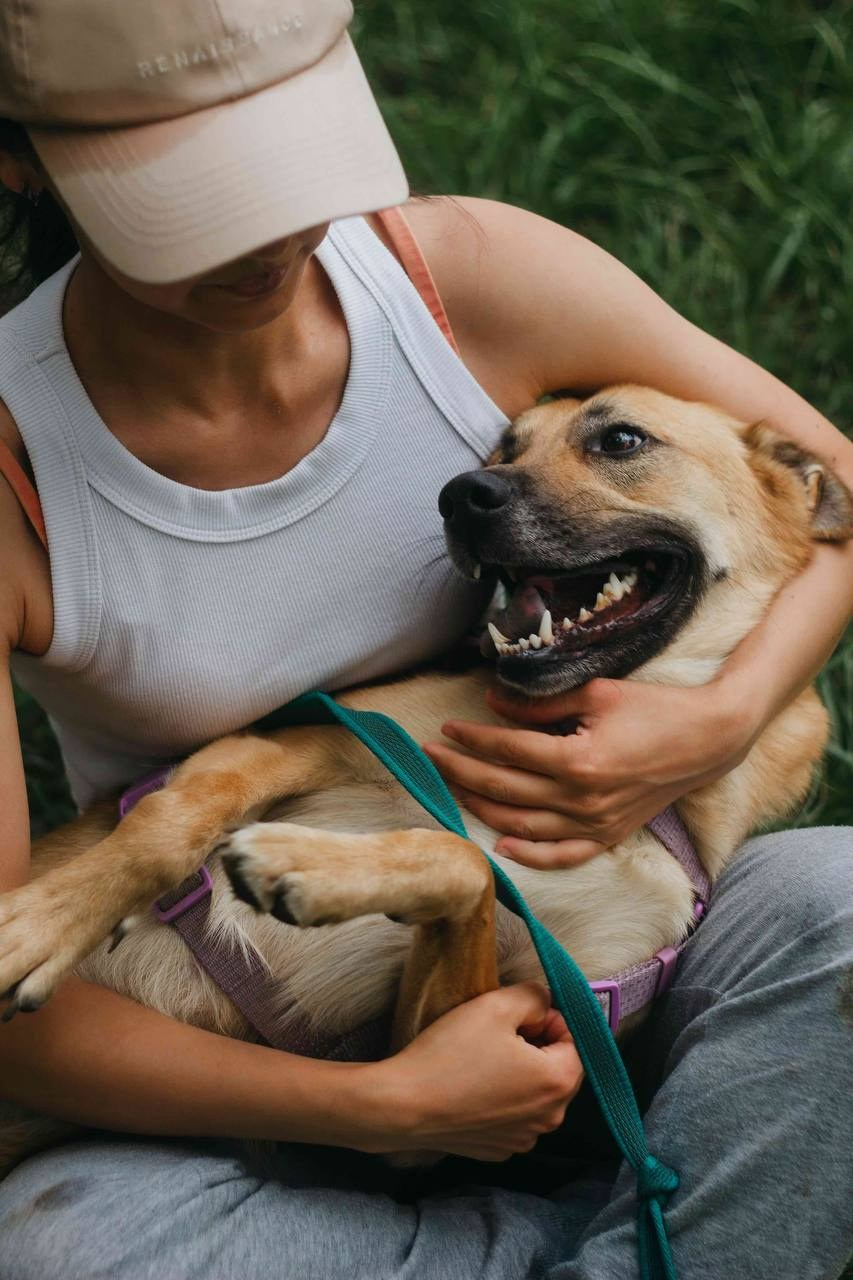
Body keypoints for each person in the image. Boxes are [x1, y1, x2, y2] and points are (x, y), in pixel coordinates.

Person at [0, 2, 850, 1277]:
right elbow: (13, 1003)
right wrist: (381, 1105)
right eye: (189, 187)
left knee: (842, 903)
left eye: (283, 152)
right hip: (208, 1051)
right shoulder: (16, 461)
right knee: (68, 1243)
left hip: (578, 976)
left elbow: (835, 488)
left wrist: (715, 725)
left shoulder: (462, 275)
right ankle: (598, 1236)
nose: (271, 230)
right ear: (20, 159)